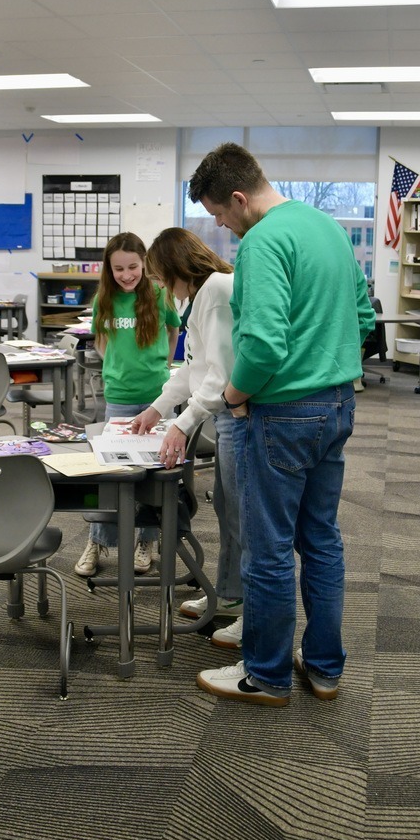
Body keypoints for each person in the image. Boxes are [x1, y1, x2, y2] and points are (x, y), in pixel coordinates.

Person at [188, 142, 375, 707]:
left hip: (280, 415)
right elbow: (364, 317)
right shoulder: (328, 228)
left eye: (220, 214)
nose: (222, 227)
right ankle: (323, 669)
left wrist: (233, 396)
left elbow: (264, 346)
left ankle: (265, 674)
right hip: (337, 406)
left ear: (239, 197)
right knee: (320, 541)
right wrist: (325, 362)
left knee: (267, 550)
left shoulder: (264, 241)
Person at [131, 228, 244, 646]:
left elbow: (223, 373)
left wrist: (183, 422)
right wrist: (158, 409)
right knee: (228, 511)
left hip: (237, 415)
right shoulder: (203, 295)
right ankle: (231, 596)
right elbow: (193, 369)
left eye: (161, 277)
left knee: (243, 519)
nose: (161, 287)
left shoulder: (215, 290)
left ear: (178, 267)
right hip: (225, 415)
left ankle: (253, 611)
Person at [74, 232, 180, 578]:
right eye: (118, 269)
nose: (127, 274)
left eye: (133, 266)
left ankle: (146, 540)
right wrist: (116, 367)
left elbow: (173, 330)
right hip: (119, 396)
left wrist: (163, 366)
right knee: (112, 473)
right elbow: (101, 340)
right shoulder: (103, 299)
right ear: (109, 269)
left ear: (144, 263)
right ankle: (98, 539)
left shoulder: (161, 293)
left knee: (154, 472)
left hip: (157, 396)